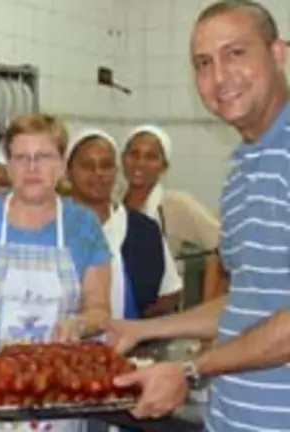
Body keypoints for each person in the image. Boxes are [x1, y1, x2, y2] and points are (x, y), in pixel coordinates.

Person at [110, 2, 290, 430]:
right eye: (203, 63)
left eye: (236, 53)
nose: (219, 77)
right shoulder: (245, 167)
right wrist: (144, 330)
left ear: (279, 53)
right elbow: (251, 300)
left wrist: (192, 370)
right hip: (233, 417)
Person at [0, 114, 112, 432]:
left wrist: (79, 323)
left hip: (57, 396)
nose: (32, 167)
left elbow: (100, 309)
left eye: (43, 157)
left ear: (61, 164)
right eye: (21, 157)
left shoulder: (83, 226)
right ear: (9, 164)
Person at [66, 129, 182, 319]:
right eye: (87, 166)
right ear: (68, 171)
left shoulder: (143, 229)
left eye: (106, 166)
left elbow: (170, 293)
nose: (98, 174)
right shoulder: (50, 226)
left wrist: (133, 321)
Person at [121, 125, 225, 302]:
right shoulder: (114, 203)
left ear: (164, 166)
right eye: (134, 154)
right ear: (123, 159)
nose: (140, 163)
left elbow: (222, 246)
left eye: (151, 157)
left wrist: (207, 305)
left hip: (163, 311)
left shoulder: (177, 204)